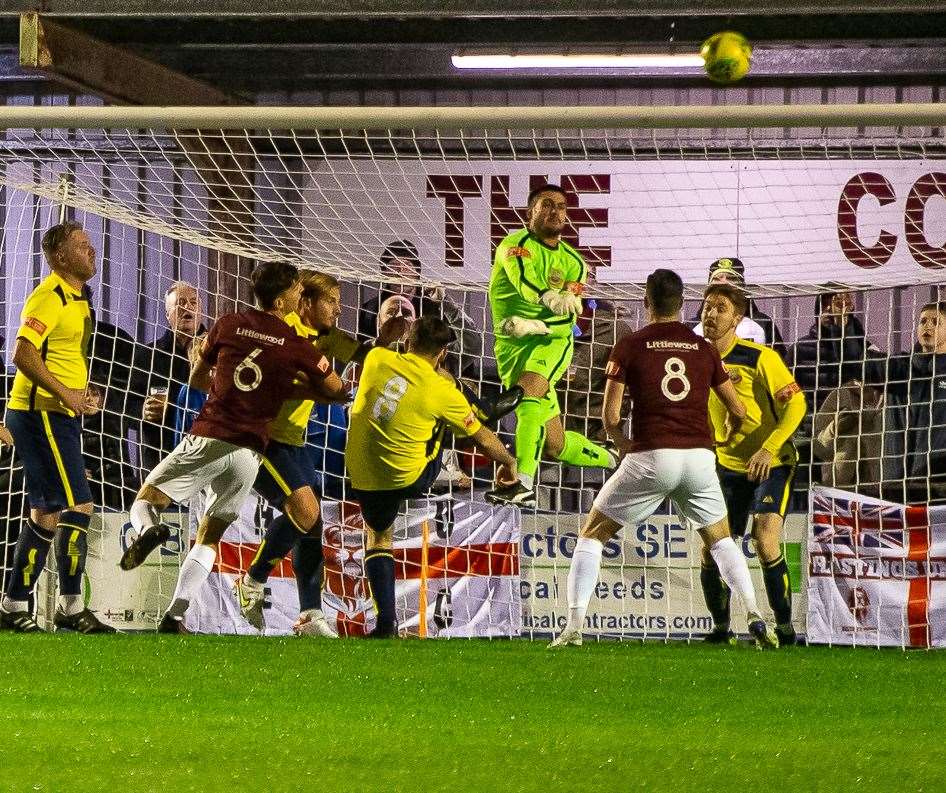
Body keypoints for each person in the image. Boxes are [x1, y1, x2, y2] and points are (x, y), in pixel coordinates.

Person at [118, 261, 349, 633]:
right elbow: (338, 391)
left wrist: (217, 383)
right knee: (219, 533)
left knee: (145, 501)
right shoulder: (294, 342)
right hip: (253, 449)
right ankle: (182, 612)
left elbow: (196, 378)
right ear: (287, 298)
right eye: (330, 300)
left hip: (213, 435)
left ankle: (148, 532)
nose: (339, 308)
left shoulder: (228, 324)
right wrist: (309, 387)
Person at [548, 269, 774, 648]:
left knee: (593, 534)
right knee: (720, 541)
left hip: (652, 455)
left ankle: (573, 625)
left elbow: (610, 417)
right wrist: (726, 438)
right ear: (683, 304)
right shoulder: (704, 348)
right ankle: (753, 613)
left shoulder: (631, 344)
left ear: (646, 302)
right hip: (699, 459)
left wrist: (623, 445)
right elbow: (738, 411)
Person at [232, 270, 411, 637]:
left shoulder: (327, 337)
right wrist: (324, 391)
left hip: (293, 440)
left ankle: (310, 614)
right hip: (261, 436)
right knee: (306, 512)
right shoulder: (285, 329)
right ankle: (251, 580)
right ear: (306, 302)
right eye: (331, 301)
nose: (338, 309)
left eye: (340, 301)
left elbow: (366, 356)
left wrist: (385, 339)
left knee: (311, 524)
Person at [345, 314, 519, 638]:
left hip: (361, 471)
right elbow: (483, 438)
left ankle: (386, 624)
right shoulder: (442, 388)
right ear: (442, 353)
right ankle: (466, 430)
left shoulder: (377, 358)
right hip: (411, 477)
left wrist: (385, 336)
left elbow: (378, 348)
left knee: (378, 537)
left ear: (408, 341)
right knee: (454, 415)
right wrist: (509, 463)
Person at [0, 221, 113, 633]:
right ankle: (70, 606)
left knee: (46, 512)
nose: (92, 251)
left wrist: (83, 393)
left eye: (90, 244)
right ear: (61, 257)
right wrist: (66, 394)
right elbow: (22, 354)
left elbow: (62, 356)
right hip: (39, 414)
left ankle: (13, 604)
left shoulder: (81, 298)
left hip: (56, 413)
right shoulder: (48, 296)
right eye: (83, 246)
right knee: (79, 505)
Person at [485, 183, 616, 508]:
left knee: (528, 399)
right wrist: (546, 297)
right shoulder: (513, 246)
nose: (555, 211)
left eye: (560, 206)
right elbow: (524, 281)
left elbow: (575, 296)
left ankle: (521, 483)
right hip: (511, 344)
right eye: (547, 204)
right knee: (555, 444)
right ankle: (612, 458)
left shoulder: (574, 261)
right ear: (530, 212)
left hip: (552, 341)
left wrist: (567, 300)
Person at [698, 283, 807, 647]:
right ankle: (721, 628)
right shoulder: (697, 360)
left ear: (737, 318)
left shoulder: (761, 358)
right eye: (708, 306)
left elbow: (796, 405)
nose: (711, 313)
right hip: (726, 466)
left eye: (721, 308)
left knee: (764, 538)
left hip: (772, 463)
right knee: (712, 546)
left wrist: (769, 447)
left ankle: (786, 627)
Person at [357, 240, 483, 377]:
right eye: (394, 266)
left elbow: (468, 346)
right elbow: (360, 355)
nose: (400, 272)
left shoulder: (437, 309)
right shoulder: (370, 310)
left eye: (406, 266)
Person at [129, 281, 206, 478]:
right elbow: (123, 404)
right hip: (161, 458)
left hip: (206, 454)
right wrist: (142, 411)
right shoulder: (147, 355)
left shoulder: (219, 353)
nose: (188, 307)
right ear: (167, 315)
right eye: (180, 303)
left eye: (193, 302)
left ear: (201, 310)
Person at [790, 289, 882, 414]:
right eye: (824, 305)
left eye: (835, 304)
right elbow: (785, 388)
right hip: (811, 428)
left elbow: (877, 392)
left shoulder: (862, 349)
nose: (828, 309)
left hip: (851, 426)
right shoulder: (800, 349)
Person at [692, 257, 786, 357]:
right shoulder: (691, 326)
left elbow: (780, 363)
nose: (724, 282)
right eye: (717, 278)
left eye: (731, 278)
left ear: (742, 287)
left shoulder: (763, 323)